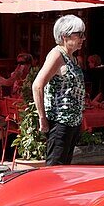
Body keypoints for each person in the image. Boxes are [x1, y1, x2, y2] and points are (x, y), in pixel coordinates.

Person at [32, 15, 87, 166]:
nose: (83, 38)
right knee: (55, 168)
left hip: (72, 122)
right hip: (60, 122)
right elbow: (37, 85)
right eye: (79, 34)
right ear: (65, 36)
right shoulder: (57, 55)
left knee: (64, 167)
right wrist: (42, 117)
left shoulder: (72, 57)